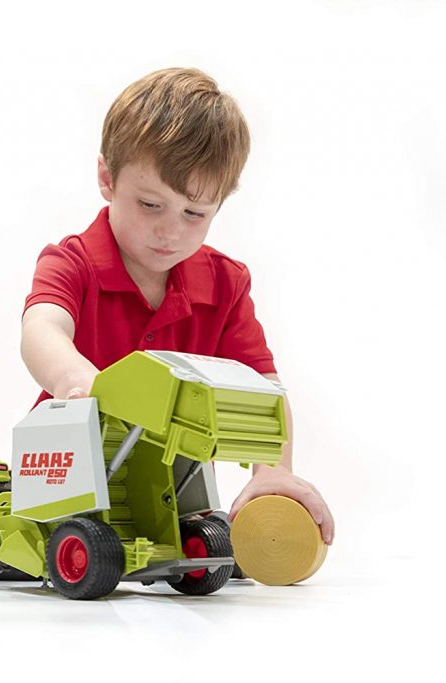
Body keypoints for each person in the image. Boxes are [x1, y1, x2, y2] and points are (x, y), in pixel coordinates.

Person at [20, 67, 334, 546]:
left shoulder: (225, 284)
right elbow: (42, 327)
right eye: (150, 205)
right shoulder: (73, 262)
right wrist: (76, 380)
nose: (170, 232)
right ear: (107, 177)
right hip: (69, 470)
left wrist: (273, 470)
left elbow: (262, 388)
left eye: (194, 213)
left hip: (168, 482)